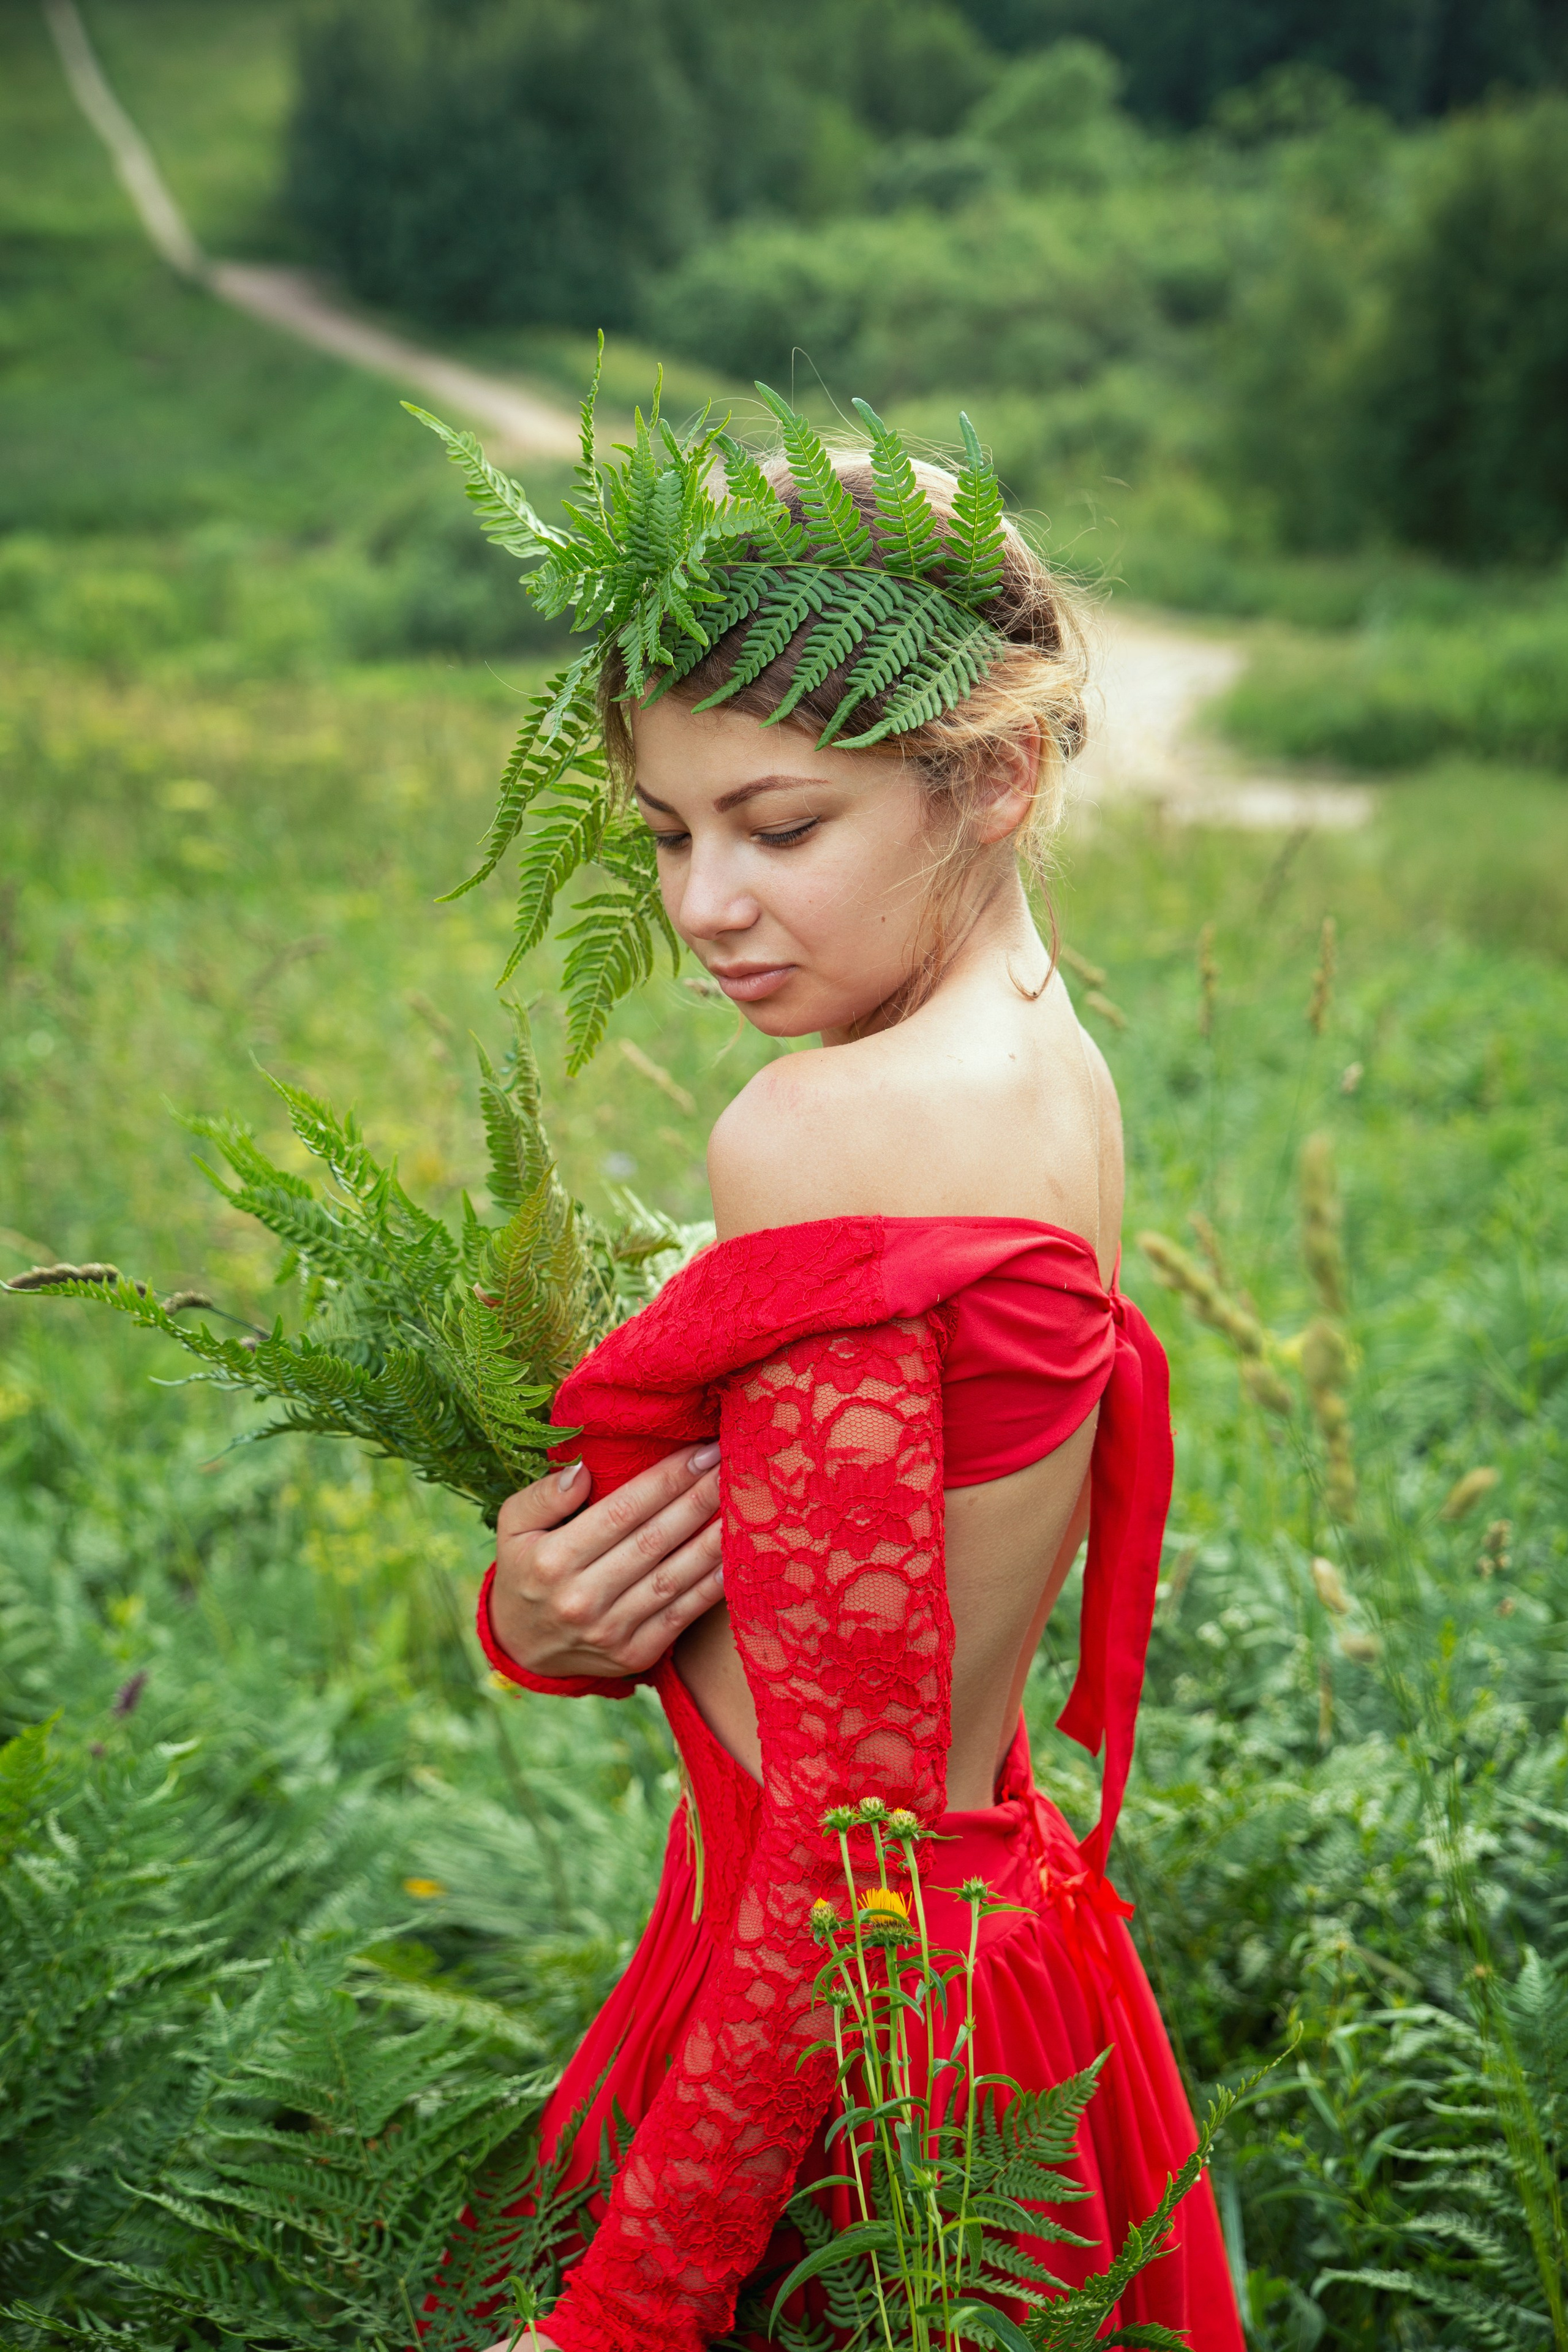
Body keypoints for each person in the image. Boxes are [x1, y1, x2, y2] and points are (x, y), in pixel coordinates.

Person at [457, 416, 1245, 2351]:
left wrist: (623, 2315)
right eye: (667, 835)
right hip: (1004, 1972)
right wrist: (575, 1607)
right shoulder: (1045, 1056)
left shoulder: (834, 1126)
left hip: (848, 2043)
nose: (708, 905)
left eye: (779, 826)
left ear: (994, 772)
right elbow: (883, 1642)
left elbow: (832, 1845)